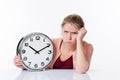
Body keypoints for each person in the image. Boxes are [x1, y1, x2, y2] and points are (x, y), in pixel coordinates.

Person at [14, 14, 93, 74]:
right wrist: (22, 64)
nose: (69, 37)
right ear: (61, 30)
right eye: (66, 32)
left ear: (80, 33)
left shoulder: (87, 47)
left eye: (74, 33)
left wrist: (79, 40)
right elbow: (36, 62)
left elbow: (81, 70)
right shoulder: (51, 43)